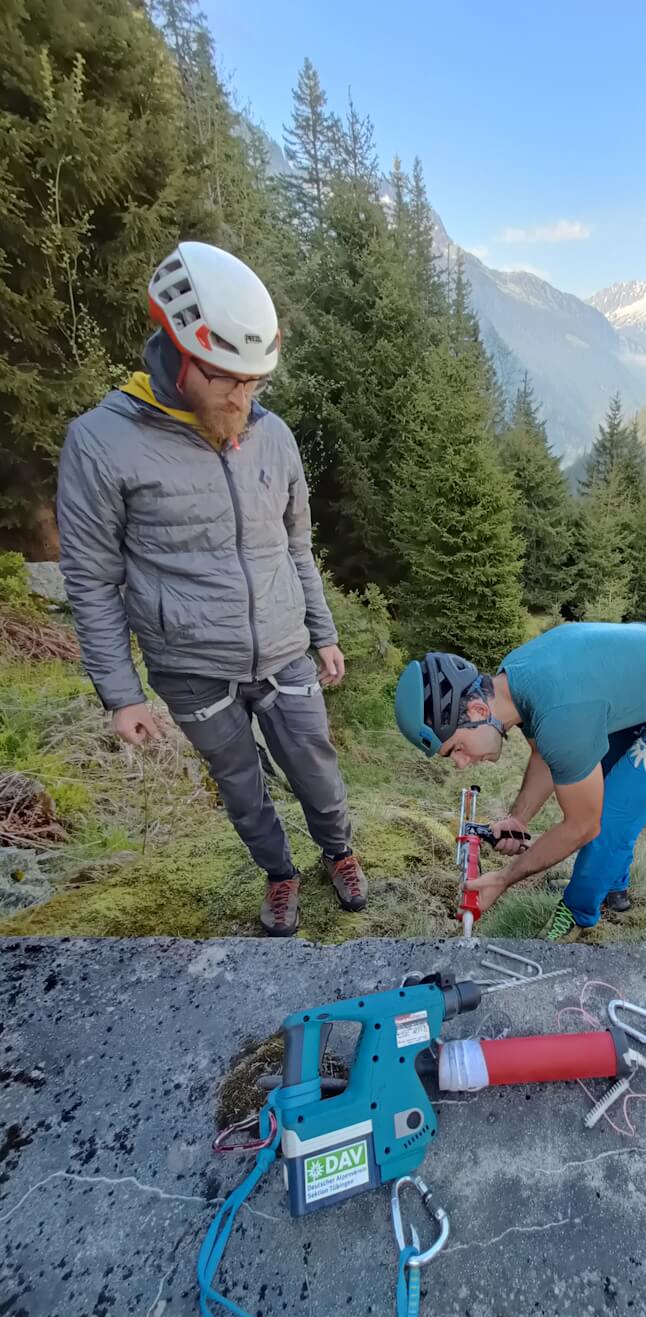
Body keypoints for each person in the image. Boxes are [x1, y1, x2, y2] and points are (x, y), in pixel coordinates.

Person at [56, 241, 367, 938]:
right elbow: (92, 577)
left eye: (255, 381)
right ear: (176, 351)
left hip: (285, 646)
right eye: (227, 379)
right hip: (192, 668)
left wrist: (325, 631)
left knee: (317, 768)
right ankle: (280, 872)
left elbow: (296, 545)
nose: (243, 397)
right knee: (240, 786)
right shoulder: (102, 444)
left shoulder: (272, 434)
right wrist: (122, 693)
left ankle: (339, 851)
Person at [394, 621, 646, 940]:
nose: (460, 763)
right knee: (602, 789)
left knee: (607, 818)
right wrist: (519, 819)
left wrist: (503, 879)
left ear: (477, 712)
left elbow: (582, 826)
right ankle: (611, 888)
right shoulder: (513, 680)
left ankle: (578, 913)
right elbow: (545, 754)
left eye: (455, 748)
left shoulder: (561, 716)